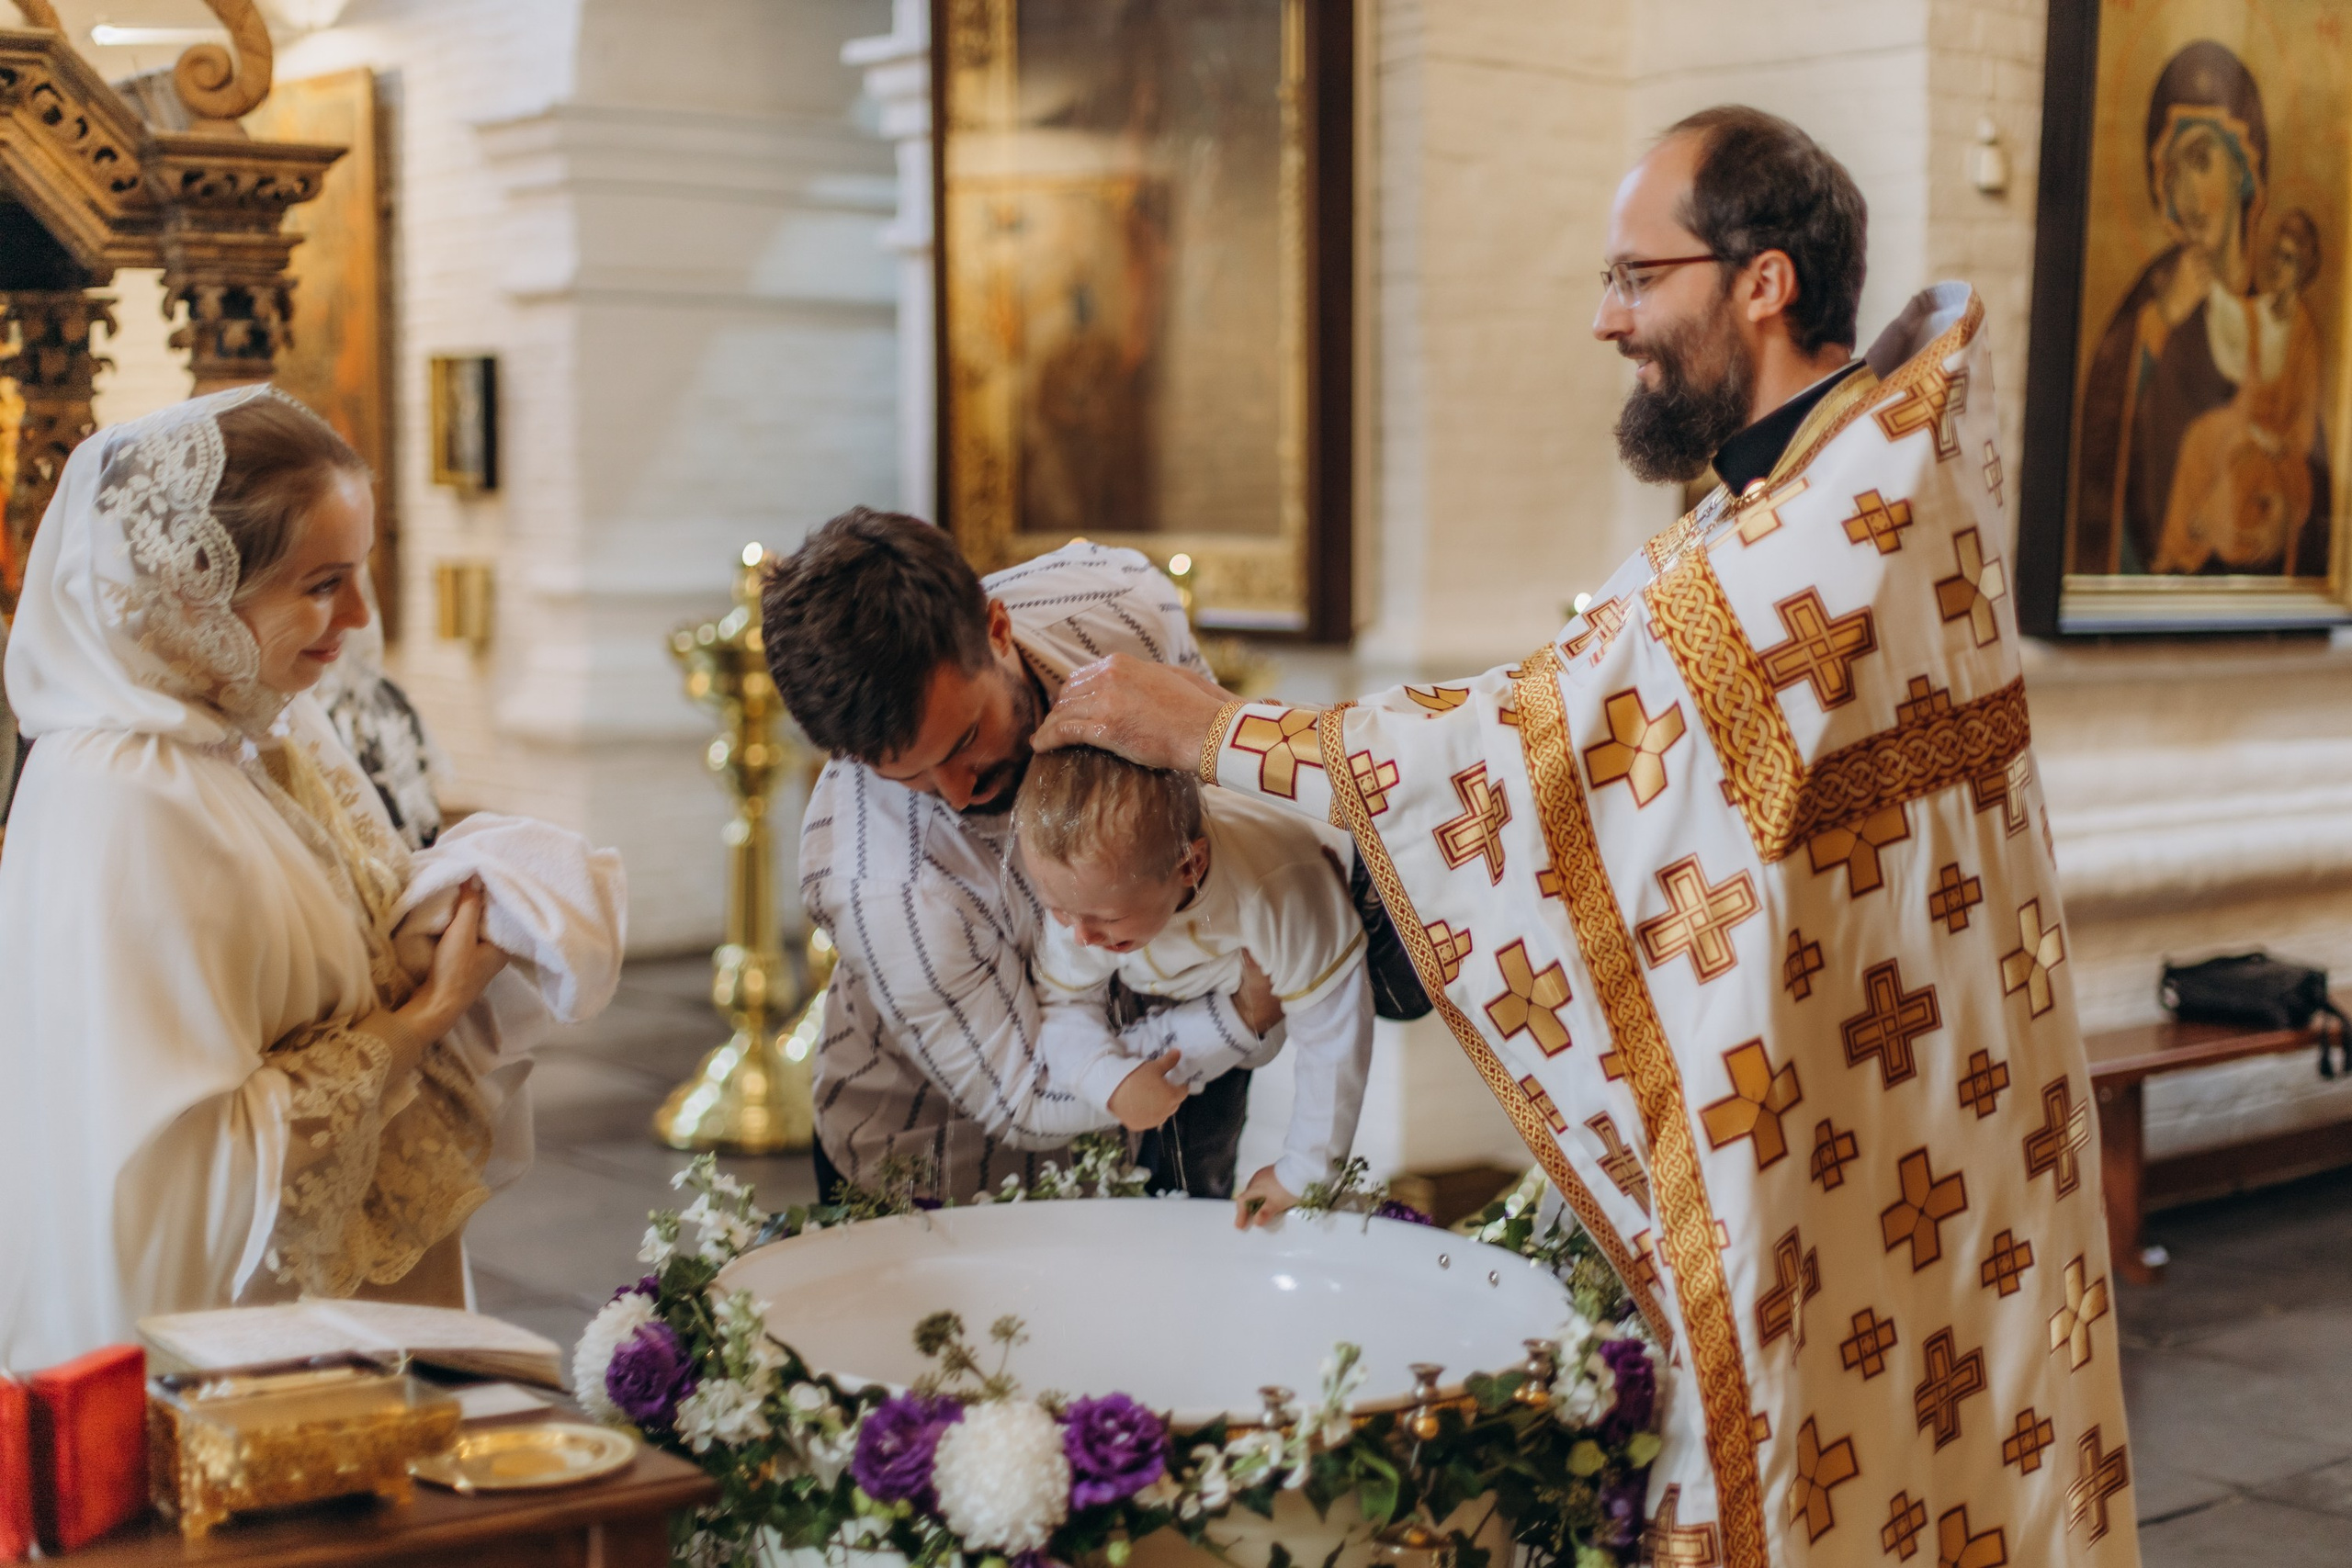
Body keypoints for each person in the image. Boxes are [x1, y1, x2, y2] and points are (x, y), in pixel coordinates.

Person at [1037, 108, 2138, 1566]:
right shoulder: (1856, 484)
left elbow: (1521, 749)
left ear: (1763, 281)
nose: (1605, 317)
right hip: (1896, 1104)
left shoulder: (1810, 534)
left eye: (1637, 275)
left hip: (1879, 1112)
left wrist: (1212, 731)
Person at [0, 388, 613, 1371]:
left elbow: (324, 936)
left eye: (360, 572)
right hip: (235, 1352)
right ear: (192, 595)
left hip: (353, 1298)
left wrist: (422, 925)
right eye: (322, 584)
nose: (359, 618)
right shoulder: (126, 797)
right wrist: (421, 1019)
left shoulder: (257, 725)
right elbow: (186, 1183)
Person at [762, 508, 1425, 1205]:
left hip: (1155, 1100)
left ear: (996, 629)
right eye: (911, 776)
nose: (956, 794)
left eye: (963, 741)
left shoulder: (1124, 612)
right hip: (940, 1159)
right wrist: (1239, 1017)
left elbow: (1206, 799)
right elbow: (1025, 1095)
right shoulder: (877, 879)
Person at [1016, 746, 1372, 1227]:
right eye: (1057, 908)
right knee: (1177, 1166)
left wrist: (1305, 1171)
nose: (1079, 935)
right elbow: (1060, 1004)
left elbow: (1333, 1029)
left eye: (1104, 918)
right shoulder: (1084, 896)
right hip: (1198, 974)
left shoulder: (1275, 889)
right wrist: (1107, 1079)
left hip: (1352, 881)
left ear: (1190, 867)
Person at [2072, 39, 2327, 579]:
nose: (2184, 191)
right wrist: (2160, 323)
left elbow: (2312, 456)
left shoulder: (2282, 317)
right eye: (2171, 171)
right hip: (2160, 587)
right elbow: (2101, 452)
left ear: (2246, 171)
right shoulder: (2152, 301)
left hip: (2256, 600)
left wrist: (2291, 517)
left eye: (2202, 162)